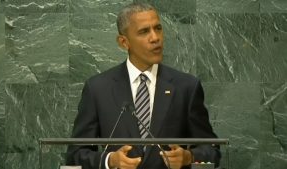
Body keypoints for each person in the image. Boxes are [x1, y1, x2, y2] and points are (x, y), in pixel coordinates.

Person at [66, 2, 220, 169]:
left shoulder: (186, 87)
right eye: (144, 31)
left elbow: (211, 149)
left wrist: (189, 157)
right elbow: (75, 154)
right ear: (124, 42)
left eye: (158, 28)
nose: (155, 38)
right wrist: (110, 160)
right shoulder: (98, 89)